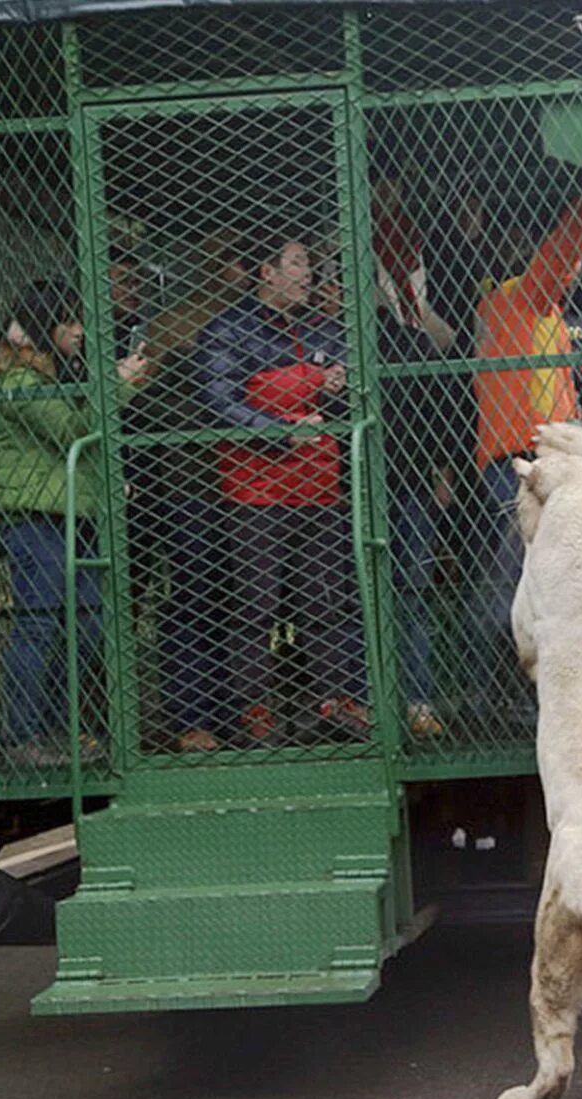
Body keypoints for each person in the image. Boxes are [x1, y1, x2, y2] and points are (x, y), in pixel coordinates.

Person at [195, 229, 369, 744]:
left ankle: (333, 700)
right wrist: (283, 420)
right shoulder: (229, 329)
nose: (307, 274)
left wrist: (332, 388)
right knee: (255, 604)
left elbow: (345, 392)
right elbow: (218, 400)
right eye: (296, 264)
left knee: (326, 599)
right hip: (255, 492)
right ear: (267, 273)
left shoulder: (326, 329)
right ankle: (253, 711)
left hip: (320, 486)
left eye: (308, 265)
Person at [0, 278, 149, 761]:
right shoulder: (20, 380)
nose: (80, 330)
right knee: (38, 625)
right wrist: (117, 385)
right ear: (46, 325)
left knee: (88, 623)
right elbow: (72, 432)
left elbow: (78, 453)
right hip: (33, 518)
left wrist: (106, 483)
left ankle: (61, 727)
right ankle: (24, 735)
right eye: (70, 321)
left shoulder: (54, 375)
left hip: (69, 516)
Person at [469, 184, 582, 717]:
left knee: (530, 577)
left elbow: (556, 393)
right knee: (513, 580)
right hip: (516, 467)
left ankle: (508, 695)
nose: (571, 275)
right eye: (560, 267)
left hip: (540, 463)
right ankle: (497, 698)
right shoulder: (516, 299)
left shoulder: (543, 315)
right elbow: (564, 251)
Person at [130, 230, 249, 752]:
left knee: (242, 599)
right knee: (193, 597)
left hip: (251, 485)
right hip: (191, 482)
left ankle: (240, 711)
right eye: (225, 256)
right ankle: (192, 718)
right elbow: (147, 403)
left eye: (240, 258)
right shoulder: (170, 323)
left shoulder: (263, 322)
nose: (232, 268)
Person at [371, 167, 464, 740]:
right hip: (353, 481)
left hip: (410, 480)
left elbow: (445, 396)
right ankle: (364, 704)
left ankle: (419, 700)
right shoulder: (350, 333)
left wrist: (443, 468)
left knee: (413, 589)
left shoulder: (414, 335)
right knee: (356, 594)